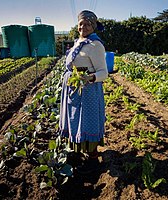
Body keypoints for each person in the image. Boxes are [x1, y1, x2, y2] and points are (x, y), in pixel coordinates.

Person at [59, 10, 108, 174]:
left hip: (88, 92)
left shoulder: (96, 45)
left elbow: (104, 73)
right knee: (74, 120)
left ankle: (93, 158)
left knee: (88, 121)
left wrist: (90, 78)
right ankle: (77, 153)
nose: (83, 27)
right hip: (73, 90)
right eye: (81, 23)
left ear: (93, 26)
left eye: (88, 24)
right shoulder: (77, 43)